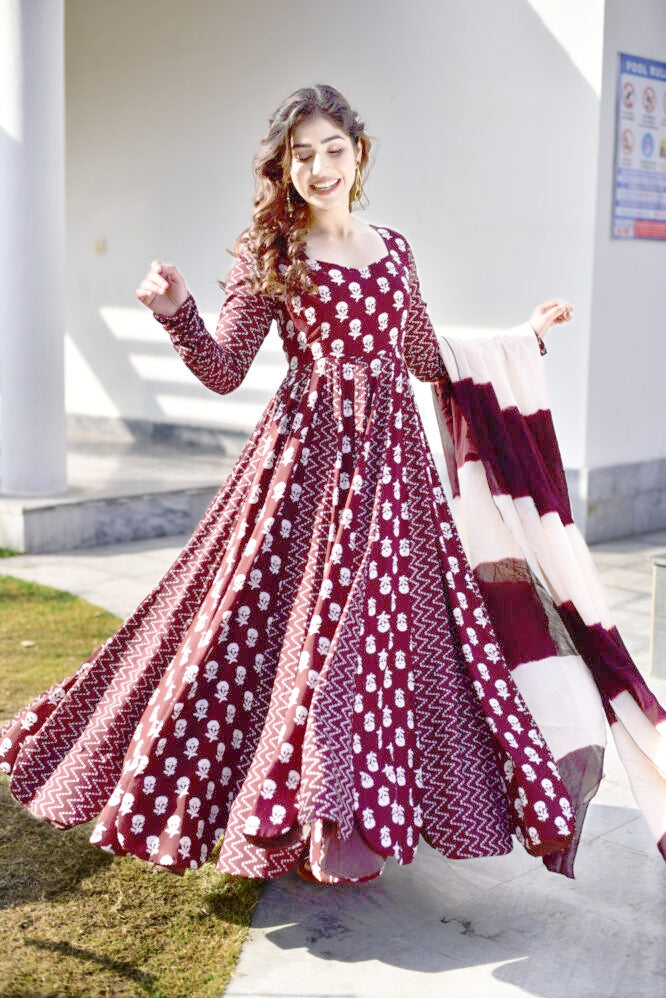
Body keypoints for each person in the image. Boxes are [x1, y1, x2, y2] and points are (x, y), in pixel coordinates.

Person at [0, 85, 639, 886]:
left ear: (358, 154)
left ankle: (354, 818)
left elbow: (422, 357)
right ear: (285, 166)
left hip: (395, 480)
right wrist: (177, 312)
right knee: (282, 637)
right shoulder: (269, 253)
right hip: (302, 476)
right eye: (301, 154)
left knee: (385, 644)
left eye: (333, 148)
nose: (320, 166)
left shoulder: (396, 249)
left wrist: (521, 341)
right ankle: (302, 819)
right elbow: (226, 369)